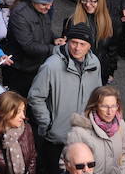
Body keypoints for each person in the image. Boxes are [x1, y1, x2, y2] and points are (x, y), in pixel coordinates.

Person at [28, 23, 102, 174]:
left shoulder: (95, 64)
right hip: (57, 138)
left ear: (89, 46)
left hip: (84, 135)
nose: (77, 48)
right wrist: (47, 123)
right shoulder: (52, 65)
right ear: (67, 41)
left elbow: (97, 96)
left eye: (82, 44)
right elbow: (35, 96)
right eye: (74, 42)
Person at [1, 0, 65, 97]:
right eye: (45, 4)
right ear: (34, 1)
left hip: (36, 66)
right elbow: (28, 46)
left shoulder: (40, 9)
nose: (49, 7)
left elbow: (45, 30)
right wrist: (55, 49)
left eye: (51, 3)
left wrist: (54, 39)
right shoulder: (20, 14)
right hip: (21, 69)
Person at [66, 86, 125, 174]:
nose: (110, 112)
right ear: (95, 106)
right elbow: (68, 164)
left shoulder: (121, 125)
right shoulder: (79, 132)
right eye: (104, 106)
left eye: (113, 106)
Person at [64, 0, 116, 84]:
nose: (88, 4)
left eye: (92, 1)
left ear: (100, 2)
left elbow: (112, 49)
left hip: (99, 71)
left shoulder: (108, 21)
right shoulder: (73, 21)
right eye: (85, 0)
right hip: (77, 72)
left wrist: (110, 71)